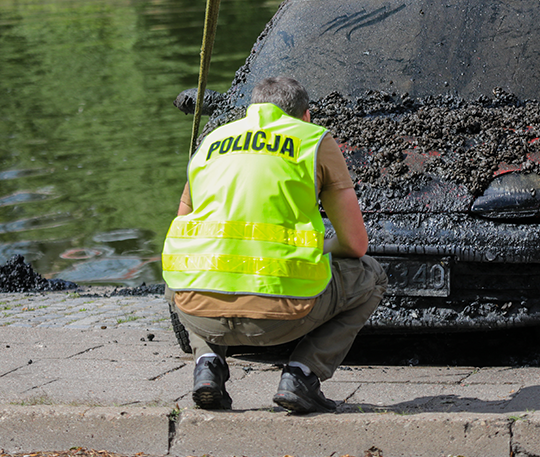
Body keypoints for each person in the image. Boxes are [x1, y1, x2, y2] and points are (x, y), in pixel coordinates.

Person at [162, 76, 386, 414]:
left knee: (183, 269)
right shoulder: (313, 140)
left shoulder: (211, 140)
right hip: (281, 317)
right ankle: (301, 375)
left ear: (251, 111)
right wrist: (318, 248)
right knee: (372, 275)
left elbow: (181, 233)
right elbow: (356, 244)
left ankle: (207, 365)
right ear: (306, 116)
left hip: (200, 314)